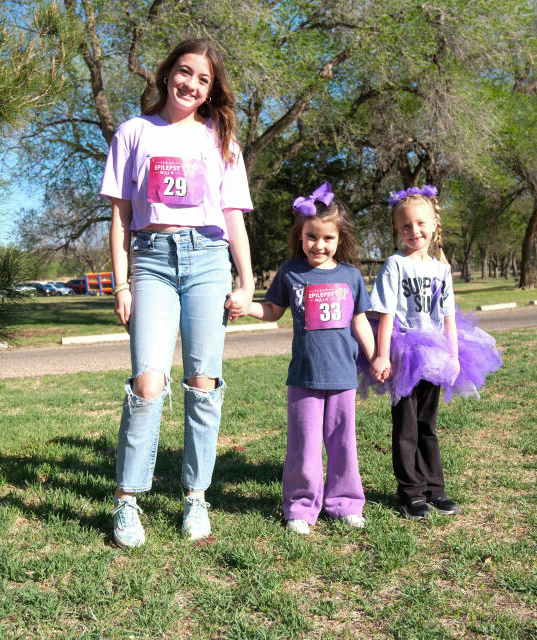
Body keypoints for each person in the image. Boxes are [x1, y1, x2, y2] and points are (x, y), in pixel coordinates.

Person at [99, 39, 254, 546]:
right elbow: (121, 215)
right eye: (185, 73)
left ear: (212, 89)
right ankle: (127, 502)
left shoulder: (221, 139)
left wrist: (245, 278)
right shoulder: (134, 132)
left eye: (203, 79)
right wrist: (120, 284)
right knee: (148, 382)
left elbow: (232, 216)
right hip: (152, 259)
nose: (191, 84)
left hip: (208, 259)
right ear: (167, 75)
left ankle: (195, 498)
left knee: (203, 382)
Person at [240, 183, 375, 534]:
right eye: (311, 237)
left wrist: (376, 356)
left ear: (339, 240)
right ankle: (300, 507)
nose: (319, 245)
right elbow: (272, 310)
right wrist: (247, 307)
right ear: (300, 237)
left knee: (343, 443)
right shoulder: (291, 272)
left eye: (327, 238)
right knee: (304, 446)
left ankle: (345, 502)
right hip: (304, 377)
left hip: (343, 376)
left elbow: (359, 320)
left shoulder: (350, 276)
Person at [367, 185, 502, 520]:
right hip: (403, 352)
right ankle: (410, 493)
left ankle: (434, 489)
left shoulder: (442, 270)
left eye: (421, 224)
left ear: (434, 226)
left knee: (428, 423)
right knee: (406, 426)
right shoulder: (395, 266)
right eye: (406, 226)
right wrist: (382, 355)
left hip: (436, 354)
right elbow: (384, 315)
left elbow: (448, 319)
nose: (415, 231)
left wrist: (454, 357)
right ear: (397, 231)